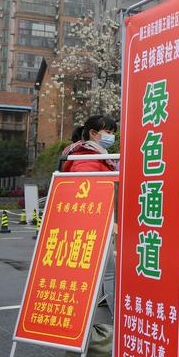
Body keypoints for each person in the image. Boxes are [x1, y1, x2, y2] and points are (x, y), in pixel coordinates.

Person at [60, 115, 118, 314]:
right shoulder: (87, 156)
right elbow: (85, 189)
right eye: (108, 132)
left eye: (112, 133)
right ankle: (116, 315)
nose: (111, 137)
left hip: (92, 221)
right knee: (109, 272)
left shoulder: (92, 154)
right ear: (93, 133)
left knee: (100, 272)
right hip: (94, 221)